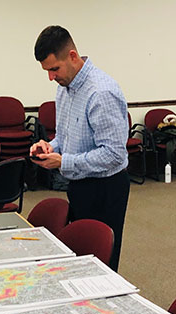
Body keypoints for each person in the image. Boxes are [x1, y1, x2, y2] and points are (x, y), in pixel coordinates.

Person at [29, 25, 130, 271]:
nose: (51, 77)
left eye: (54, 69)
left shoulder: (101, 92)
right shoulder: (65, 89)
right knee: (80, 259)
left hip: (105, 188)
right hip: (79, 184)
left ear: (72, 56)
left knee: (101, 262)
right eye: (47, 71)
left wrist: (63, 162)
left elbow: (114, 154)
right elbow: (64, 136)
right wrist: (48, 146)